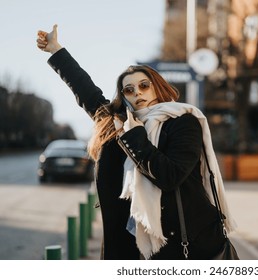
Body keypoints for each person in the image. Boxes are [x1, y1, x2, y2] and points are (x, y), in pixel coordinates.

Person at [36, 24, 236, 260]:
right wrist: (56, 50)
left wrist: (135, 136)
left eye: (143, 86)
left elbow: (169, 176)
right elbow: (86, 91)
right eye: (128, 90)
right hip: (125, 243)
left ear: (157, 87)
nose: (137, 93)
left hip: (178, 245)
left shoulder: (183, 122)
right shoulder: (118, 123)